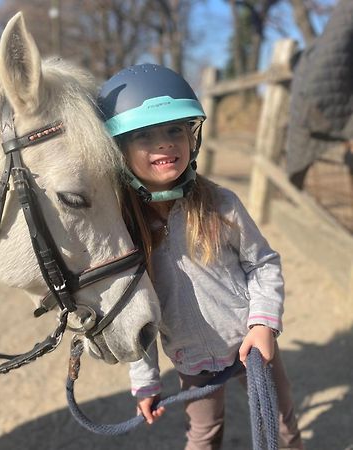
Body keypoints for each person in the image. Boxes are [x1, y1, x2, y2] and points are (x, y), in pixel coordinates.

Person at [97, 63, 304, 450]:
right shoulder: (127, 231)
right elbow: (134, 311)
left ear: (192, 135)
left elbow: (263, 264)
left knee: (280, 423)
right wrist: (145, 381)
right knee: (204, 435)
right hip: (193, 361)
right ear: (119, 150)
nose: (164, 143)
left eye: (175, 129)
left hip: (252, 346)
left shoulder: (222, 204)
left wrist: (263, 324)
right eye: (144, 135)